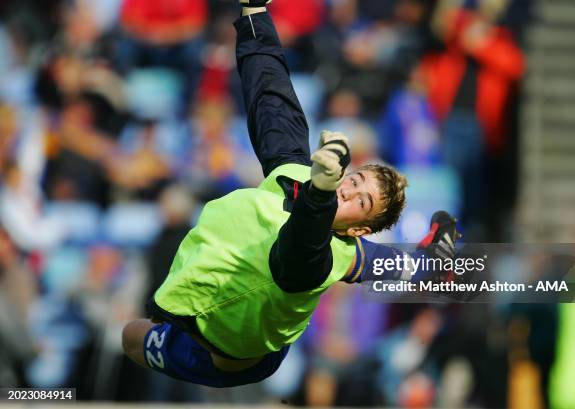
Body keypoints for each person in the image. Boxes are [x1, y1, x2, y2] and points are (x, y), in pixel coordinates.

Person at [122, 0, 459, 388]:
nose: (349, 192)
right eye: (354, 181)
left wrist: (322, 191)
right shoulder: (300, 178)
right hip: (201, 312)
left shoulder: (319, 258)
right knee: (129, 332)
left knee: (132, 335)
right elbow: (271, 99)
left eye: (361, 202)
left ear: (358, 229)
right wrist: (255, 17)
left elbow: (302, 241)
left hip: (229, 357)